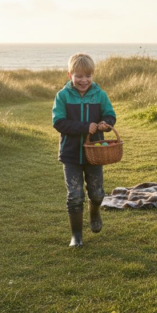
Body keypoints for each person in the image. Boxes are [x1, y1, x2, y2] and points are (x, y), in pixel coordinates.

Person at [52, 53, 117, 247]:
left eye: (88, 76)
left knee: (97, 193)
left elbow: (110, 114)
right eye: (79, 76)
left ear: (93, 75)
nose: (84, 80)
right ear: (70, 74)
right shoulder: (62, 95)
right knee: (75, 195)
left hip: (95, 153)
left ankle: (94, 211)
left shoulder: (100, 94)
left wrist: (106, 123)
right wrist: (83, 127)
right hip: (71, 154)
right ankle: (76, 236)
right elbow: (58, 122)